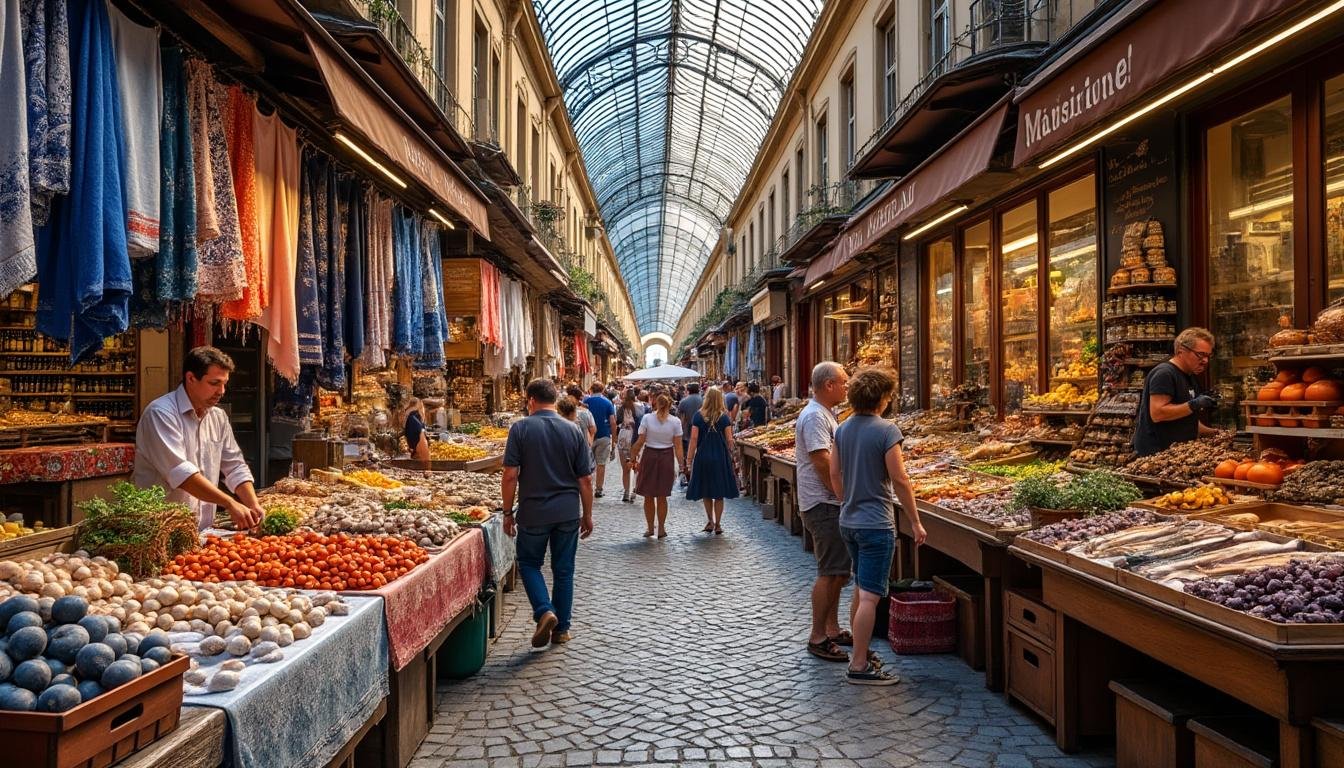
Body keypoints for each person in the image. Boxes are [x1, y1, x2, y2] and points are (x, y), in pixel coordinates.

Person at [830, 368, 926, 685]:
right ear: (882, 398)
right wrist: (914, 520)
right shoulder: (887, 430)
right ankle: (859, 665)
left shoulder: (842, 429)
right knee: (870, 596)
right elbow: (899, 479)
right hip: (875, 524)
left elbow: (834, 473)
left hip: (850, 521)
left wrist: (847, 499)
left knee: (861, 587)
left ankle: (861, 650)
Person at [502, 379, 595, 648]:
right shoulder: (574, 430)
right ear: (554, 400)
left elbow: (510, 476)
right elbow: (585, 479)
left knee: (529, 563)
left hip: (533, 512)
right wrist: (587, 514)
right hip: (567, 511)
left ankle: (544, 611)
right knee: (564, 570)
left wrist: (507, 512)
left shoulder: (520, 428)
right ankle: (562, 629)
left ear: (531, 400)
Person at [133, 346, 264, 531]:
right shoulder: (160, 414)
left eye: (225, 383)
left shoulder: (218, 416)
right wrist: (229, 503)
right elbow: (182, 474)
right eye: (214, 383)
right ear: (191, 378)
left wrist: (253, 504)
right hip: (160, 529)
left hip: (202, 528)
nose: (222, 391)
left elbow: (235, 466)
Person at [796, 362, 859, 663]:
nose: (848, 386)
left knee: (838, 573)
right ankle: (817, 636)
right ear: (829, 385)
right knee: (829, 572)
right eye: (844, 381)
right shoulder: (814, 417)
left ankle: (831, 629)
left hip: (828, 502)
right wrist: (842, 494)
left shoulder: (824, 414)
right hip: (823, 504)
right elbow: (822, 461)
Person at [1134, 328, 1220, 456]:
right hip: (1157, 455)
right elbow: (1158, 413)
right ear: (1181, 351)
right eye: (1200, 355)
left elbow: (1187, 420)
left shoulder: (1190, 376)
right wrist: (1194, 405)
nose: (1205, 361)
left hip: (1178, 453)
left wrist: (1214, 433)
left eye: (1208, 356)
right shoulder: (1164, 374)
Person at [627, 394, 684, 539]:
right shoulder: (675, 422)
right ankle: (662, 529)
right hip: (666, 457)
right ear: (670, 405)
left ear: (655, 403)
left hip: (650, 456)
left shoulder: (647, 418)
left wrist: (632, 457)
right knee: (662, 496)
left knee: (648, 495)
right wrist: (683, 465)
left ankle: (650, 527)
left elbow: (640, 441)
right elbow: (678, 446)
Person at [685, 387, 738, 534]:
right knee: (719, 493)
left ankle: (710, 521)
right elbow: (729, 439)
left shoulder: (698, 416)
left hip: (703, 456)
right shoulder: (724, 417)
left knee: (706, 491)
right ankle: (718, 524)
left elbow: (694, 439)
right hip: (720, 457)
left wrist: (689, 460)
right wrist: (734, 455)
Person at [584, 383, 617, 498]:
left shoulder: (585, 401)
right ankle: (598, 489)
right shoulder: (608, 403)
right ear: (603, 390)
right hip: (604, 436)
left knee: (587, 464)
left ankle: (587, 486)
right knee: (601, 463)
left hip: (588, 436)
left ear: (591, 389)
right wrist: (614, 440)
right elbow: (613, 422)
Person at [615, 390, 646, 503]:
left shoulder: (621, 408)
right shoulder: (641, 407)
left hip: (623, 436)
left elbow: (617, 420)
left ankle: (626, 492)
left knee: (625, 467)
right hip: (636, 436)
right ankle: (634, 490)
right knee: (636, 465)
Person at [677, 382, 704, 477]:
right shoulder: (703, 400)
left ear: (688, 390)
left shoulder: (683, 401)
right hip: (702, 430)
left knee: (687, 453)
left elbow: (679, 418)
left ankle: (688, 472)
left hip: (687, 430)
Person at [401, 397, 430, 461]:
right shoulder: (414, 414)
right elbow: (419, 426)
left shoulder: (408, 412)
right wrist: (423, 430)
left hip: (410, 434)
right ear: (417, 404)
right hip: (415, 435)